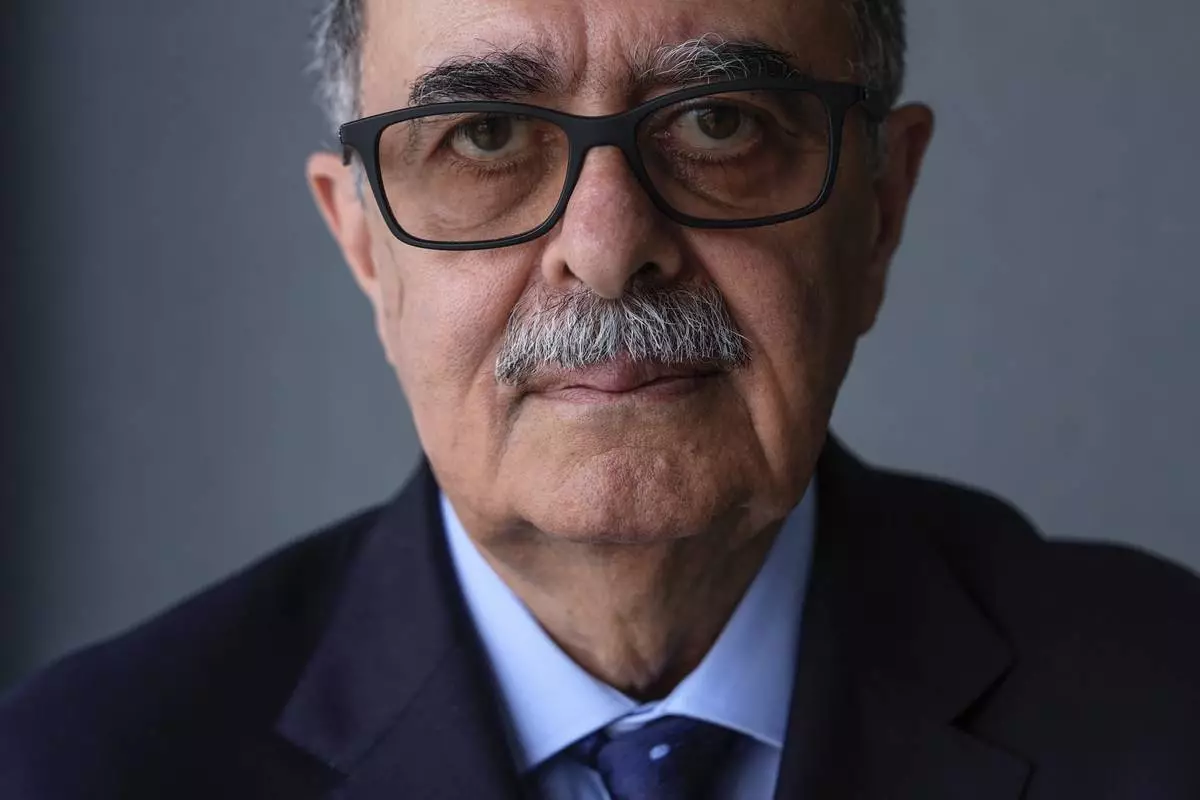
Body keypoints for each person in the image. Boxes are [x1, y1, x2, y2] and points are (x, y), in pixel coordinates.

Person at [3, 0, 1199, 797]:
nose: (610, 245)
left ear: (879, 212)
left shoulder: (1169, 711)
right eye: (484, 135)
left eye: (720, 122)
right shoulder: (79, 768)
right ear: (365, 246)